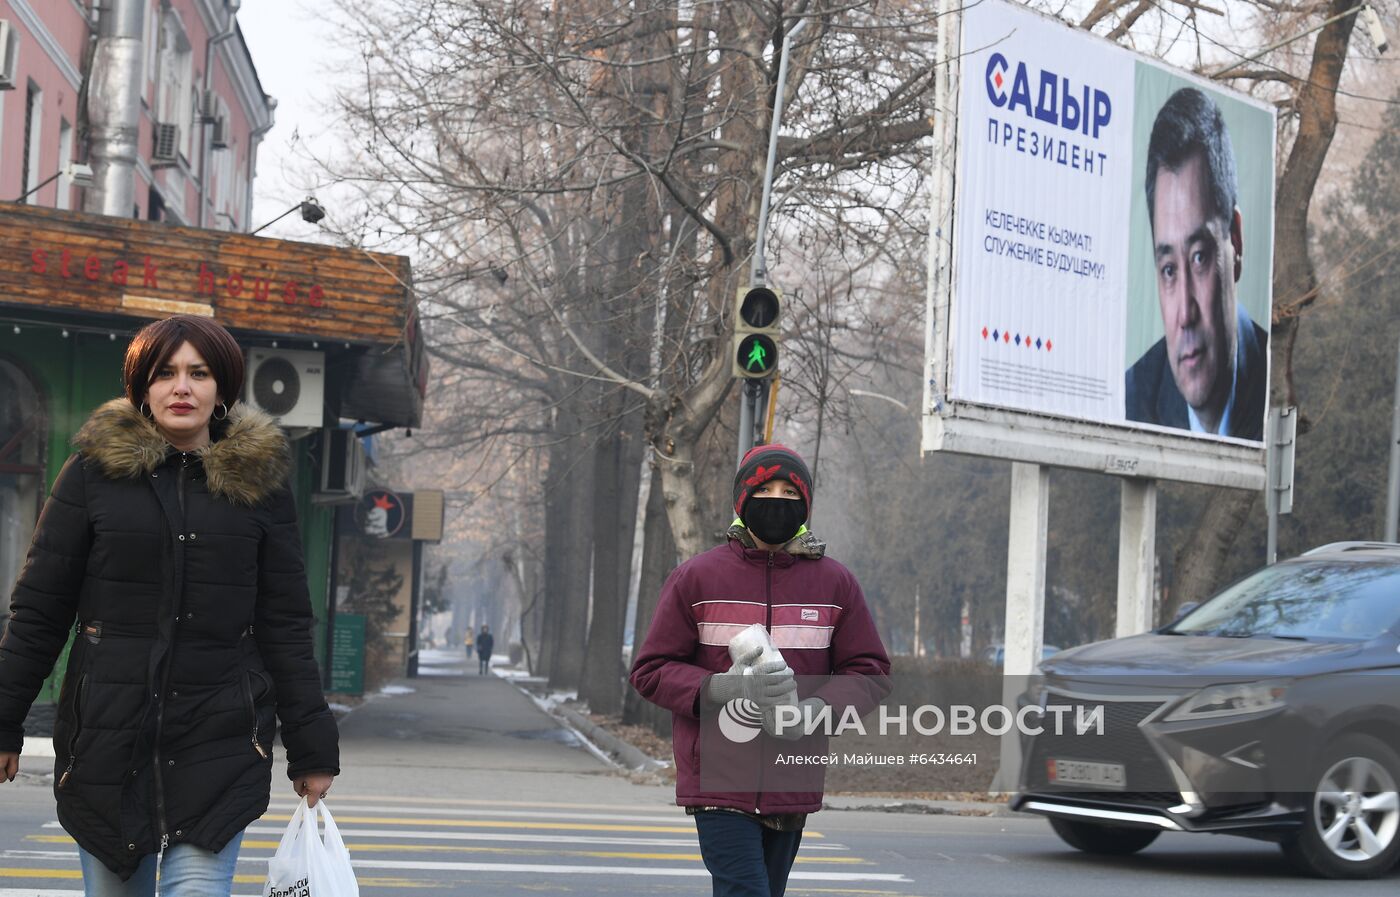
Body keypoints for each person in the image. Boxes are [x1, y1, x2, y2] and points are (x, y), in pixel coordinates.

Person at [0, 315, 340, 895]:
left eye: (198, 373)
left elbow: (285, 624)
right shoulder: (91, 474)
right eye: (165, 373)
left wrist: (312, 745)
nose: (181, 387)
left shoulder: (260, 486)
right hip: (107, 743)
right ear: (143, 386)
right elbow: (40, 609)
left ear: (222, 387)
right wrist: (4, 720)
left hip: (219, 743)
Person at [629, 444, 890, 897]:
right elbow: (650, 670)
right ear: (741, 500)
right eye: (765, 488)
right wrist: (720, 688)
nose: (777, 499)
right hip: (718, 779)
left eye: (790, 491)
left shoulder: (835, 583)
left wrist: (817, 710)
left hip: (793, 777)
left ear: (805, 504)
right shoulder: (696, 578)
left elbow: (869, 672)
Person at [1125, 86, 1268, 440]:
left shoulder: (1273, 378)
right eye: (1169, 270)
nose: (1185, 315)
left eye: (1200, 257)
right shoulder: (1134, 396)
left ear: (1235, 241)